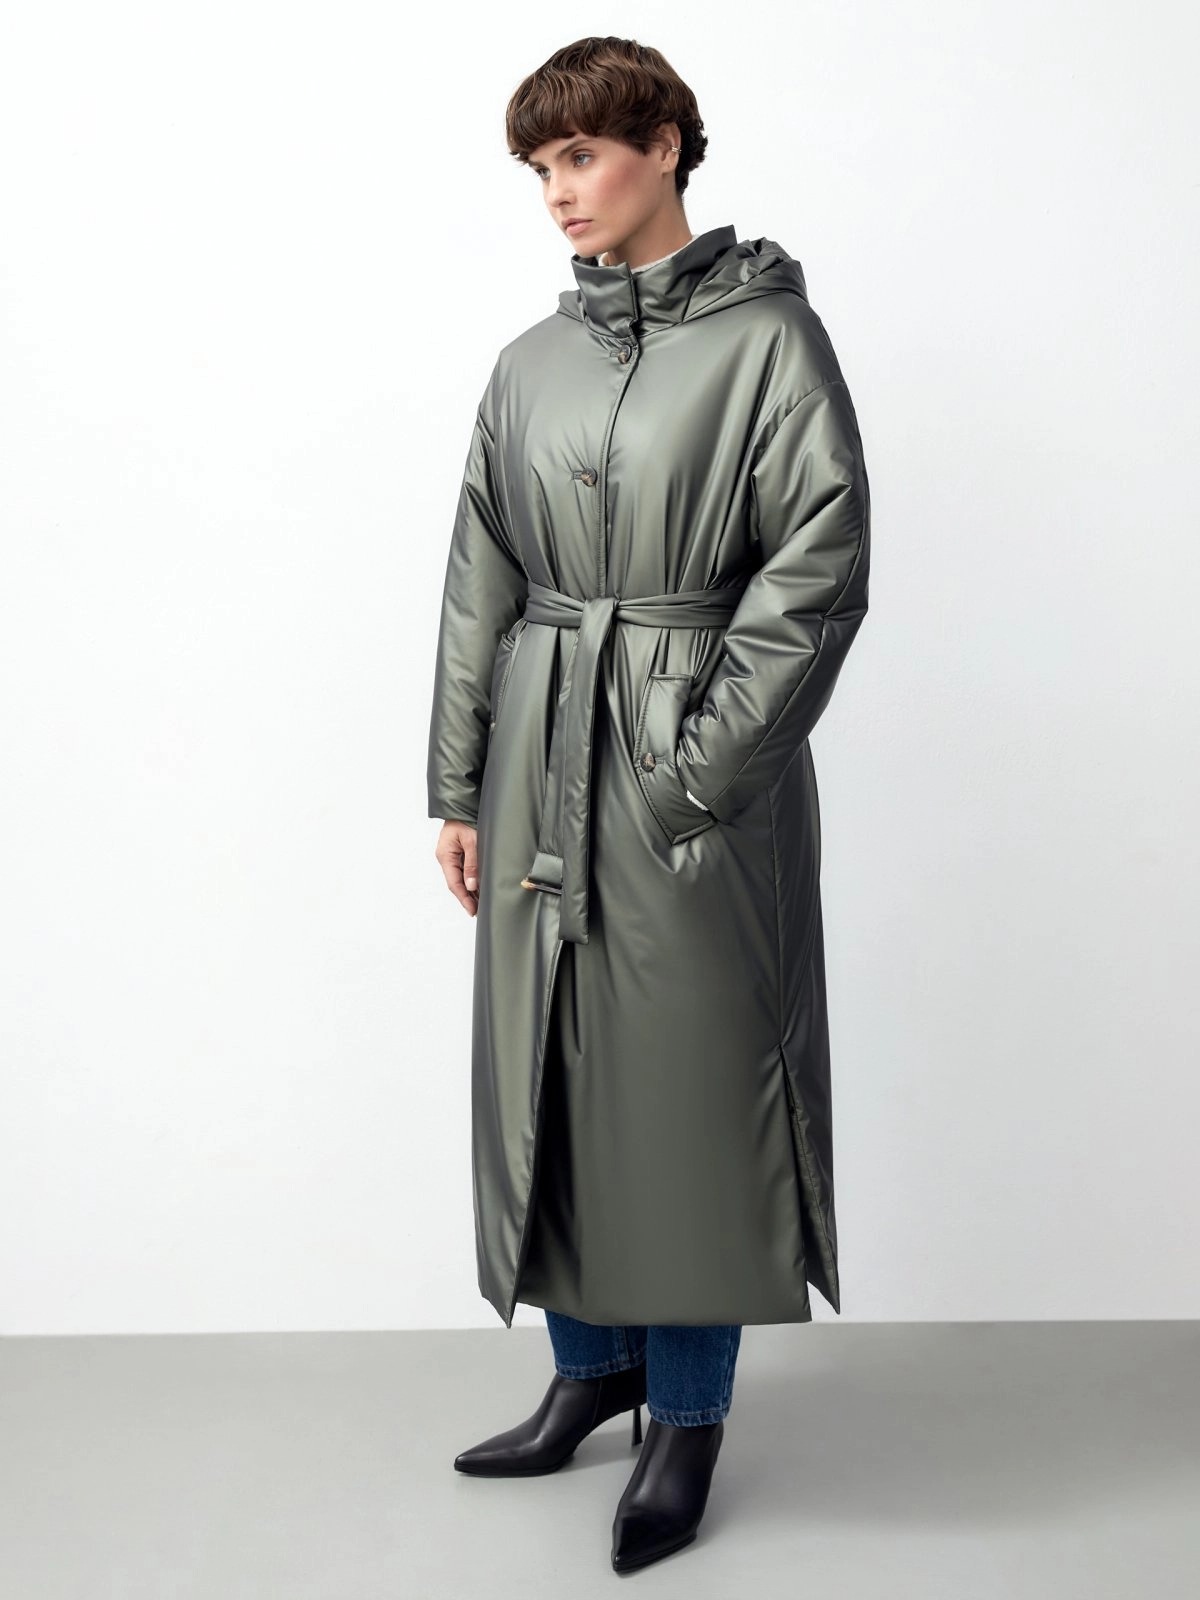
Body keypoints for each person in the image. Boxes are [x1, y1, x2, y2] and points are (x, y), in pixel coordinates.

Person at [426, 35, 871, 1573]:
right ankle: (589, 1370)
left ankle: (686, 1419)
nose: (559, 193)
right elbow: (481, 574)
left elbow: (817, 568)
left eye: (583, 156)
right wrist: (458, 784)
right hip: (536, 750)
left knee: (684, 1094)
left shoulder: (771, 345)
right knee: (546, 1067)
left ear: (666, 144)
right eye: (540, 168)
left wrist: (699, 778)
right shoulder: (529, 365)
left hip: (684, 766)